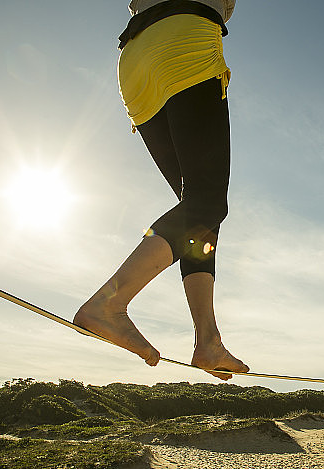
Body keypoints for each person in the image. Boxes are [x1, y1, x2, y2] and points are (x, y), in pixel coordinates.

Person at [74, 0, 248, 381]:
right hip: (183, 41)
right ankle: (109, 304)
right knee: (205, 203)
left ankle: (208, 340)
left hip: (135, 61)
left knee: (199, 214)